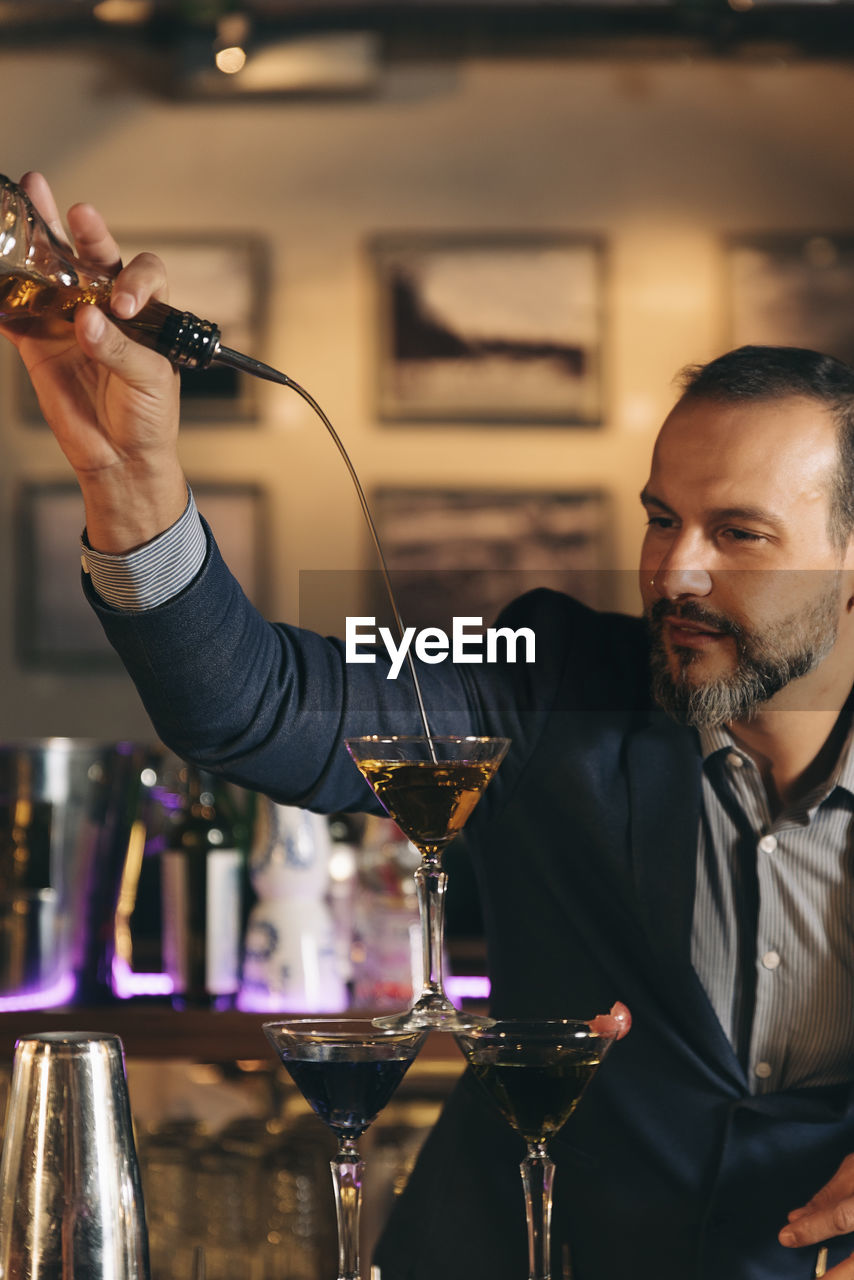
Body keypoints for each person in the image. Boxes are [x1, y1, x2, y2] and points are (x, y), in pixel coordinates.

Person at [5, 171, 854, 1280]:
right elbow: (256, 700)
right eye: (659, 516)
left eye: (738, 532)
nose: (673, 569)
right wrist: (129, 476)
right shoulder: (546, 677)